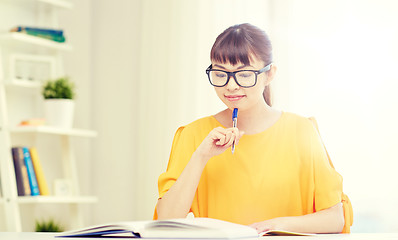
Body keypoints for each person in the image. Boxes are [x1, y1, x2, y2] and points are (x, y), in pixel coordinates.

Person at [154, 23, 352, 234]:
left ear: (269, 74)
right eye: (220, 74)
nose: (230, 86)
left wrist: (276, 225)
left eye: (244, 74)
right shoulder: (193, 135)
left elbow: (334, 218)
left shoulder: (302, 131)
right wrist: (201, 156)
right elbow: (165, 221)